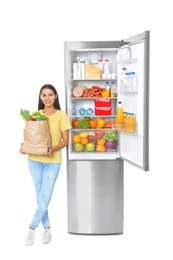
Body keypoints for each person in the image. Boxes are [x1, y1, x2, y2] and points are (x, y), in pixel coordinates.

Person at [19, 84, 71, 246]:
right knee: (40, 196)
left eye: (50, 95)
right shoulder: (36, 115)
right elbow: (31, 136)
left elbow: (65, 141)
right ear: (40, 97)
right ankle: (47, 228)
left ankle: (31, 228)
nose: (47, 98)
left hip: (52, 161)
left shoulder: (61, 116)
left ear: (55, 96)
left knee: (45, 197)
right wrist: (24, 146)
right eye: (44, 95)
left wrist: (53, 149)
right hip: (34, 160)